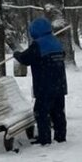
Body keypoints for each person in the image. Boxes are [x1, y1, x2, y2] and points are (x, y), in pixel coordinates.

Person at [13, 17, 67, 145]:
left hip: (45, 86)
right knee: (58, 112)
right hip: (60, 84)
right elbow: (63, 55)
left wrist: (17, 54)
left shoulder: (38, 44)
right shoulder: (56, 42)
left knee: (41, 112)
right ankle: (60, 136)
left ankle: (45, 138)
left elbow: (26, 59)